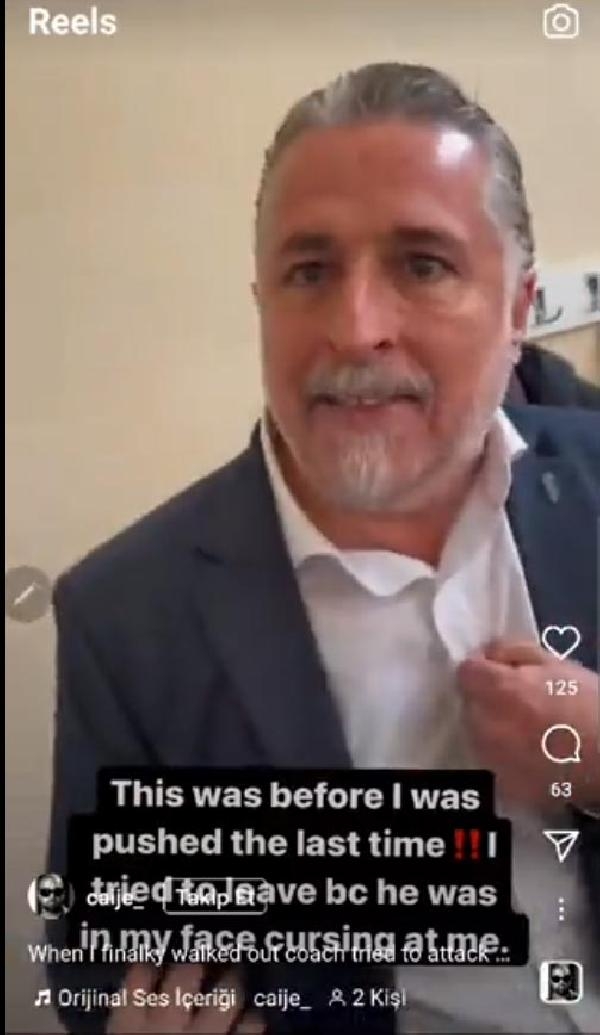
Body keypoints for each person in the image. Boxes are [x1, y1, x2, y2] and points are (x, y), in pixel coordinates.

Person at [47, 62, 600, 1034]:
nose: (356, 329)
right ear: (263, 300)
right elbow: (97, 958)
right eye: (310, 273)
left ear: (519, 309)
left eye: (422, 265)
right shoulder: (129, 616)